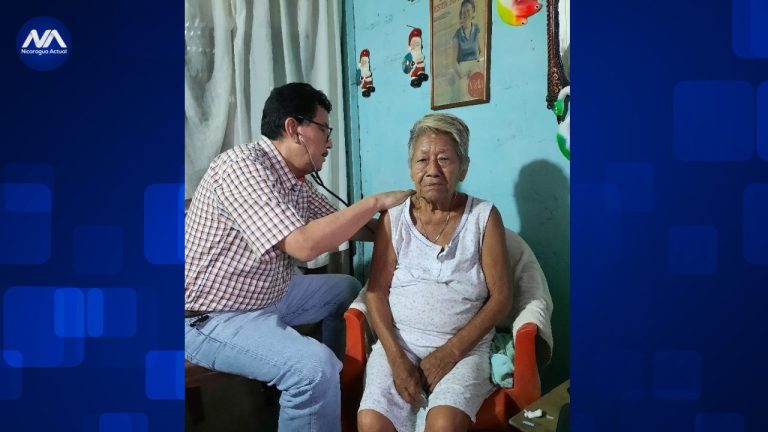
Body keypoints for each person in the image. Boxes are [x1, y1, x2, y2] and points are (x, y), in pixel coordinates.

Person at [184, 82, 413, 431]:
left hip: (267, 295)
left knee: (347, 288)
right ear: (294, 128)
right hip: (211, 318)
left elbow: (350, 227)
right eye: (324, 130)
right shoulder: (241, 167)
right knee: (312, 368)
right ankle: (318, 384)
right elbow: (303, 245)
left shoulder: (295, 181)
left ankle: (331, 390)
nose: (330, 143)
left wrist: (403, 220)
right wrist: (375, 202)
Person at [357, 113, 511, 432]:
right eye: (422, 159)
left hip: (464, 348)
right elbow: (375, 292)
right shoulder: (394, 218)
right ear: (411, 168)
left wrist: (450, 353)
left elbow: (502, 298)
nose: (432, 170)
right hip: (399, 344)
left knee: (443, 426)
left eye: (444, 159)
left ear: (463, 167)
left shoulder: (484, 217)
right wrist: (397, 360)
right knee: (371, 423)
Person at [450, 0, 484, 99]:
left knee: (477, 89)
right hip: (461, 68)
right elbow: (453, 62)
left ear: (473, 12)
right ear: (461, 15)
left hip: (475, 65)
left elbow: (481, 52)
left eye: (468, 11)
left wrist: (477, 65)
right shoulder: (457, 35)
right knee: (463, 92)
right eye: (463, 12)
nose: (466, 14)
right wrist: (462, 77)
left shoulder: (476, 29)